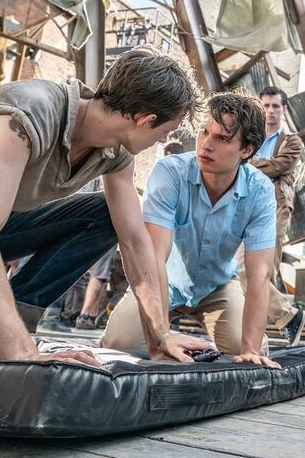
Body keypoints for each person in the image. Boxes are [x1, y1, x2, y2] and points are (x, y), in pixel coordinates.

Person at [0, 47, 211, 366]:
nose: (163, 142)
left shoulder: (116, 154)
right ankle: (6, 334)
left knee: (106, 213)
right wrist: (21, 352)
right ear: (145, 120)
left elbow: (135, 240)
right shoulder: (29, 112)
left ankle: (16, 314)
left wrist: (161, 334)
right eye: (165, 132)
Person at [102, 90, 280, 368]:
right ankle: (179, 338)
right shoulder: (170, 173)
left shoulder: (260, 191)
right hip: (164, 282)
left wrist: (249, 348)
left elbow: (260, 273)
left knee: (244, 351)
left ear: (247, 150)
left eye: (222, 138)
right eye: (203, 132)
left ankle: (246, 341)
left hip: (217, 285)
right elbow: (153, 258)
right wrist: (161, 337)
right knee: (119, 343)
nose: (206, 145)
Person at [244, 85, 305, 346]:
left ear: (284, 109)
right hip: (245, 207)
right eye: (266, 106)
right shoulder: (250, 137)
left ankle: (258, 333)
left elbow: (280, 166)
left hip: (276, 206)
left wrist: (250, 165)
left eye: (275, 106)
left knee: (265, 270)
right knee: (241, 269)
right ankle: (287, 317)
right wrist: (260, 166)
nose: (270, 111)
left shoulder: (291, 141)